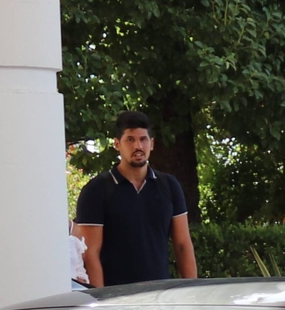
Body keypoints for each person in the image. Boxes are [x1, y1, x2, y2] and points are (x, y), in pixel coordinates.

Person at [74, 110, 197, 286]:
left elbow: (183, 245)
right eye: (130, 139)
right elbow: (90, 254)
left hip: (160, 296)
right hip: (117, 298)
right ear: (117, 144)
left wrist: (191, 292)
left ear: (152, 144)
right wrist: (101, 300)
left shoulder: (169, 186)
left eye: (143, 139)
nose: (138, 146)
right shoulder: (96, 190)